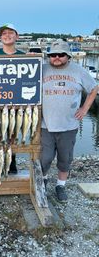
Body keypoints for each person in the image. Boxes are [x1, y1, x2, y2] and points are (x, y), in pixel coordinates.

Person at [41, 39, 98, 202]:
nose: (56, 58)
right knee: (44, 158)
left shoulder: (79, 71)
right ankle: (43, 181)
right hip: (45, 125)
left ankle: (60, 185)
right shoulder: (42, 69)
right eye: (53, 55)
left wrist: (85, 108)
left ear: (68, 56)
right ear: (48, 56)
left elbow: (94, 88)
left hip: (69, 125)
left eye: (61, 55)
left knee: (65, 159)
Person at [0, 23, 25, 174]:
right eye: (4, 33)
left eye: (11, 32)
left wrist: (34, 58)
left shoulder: (24, 56)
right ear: (0, 38)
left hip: (17, 104)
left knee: (13, 134)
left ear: (17, 36)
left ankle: (11, 162)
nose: (7, 35)